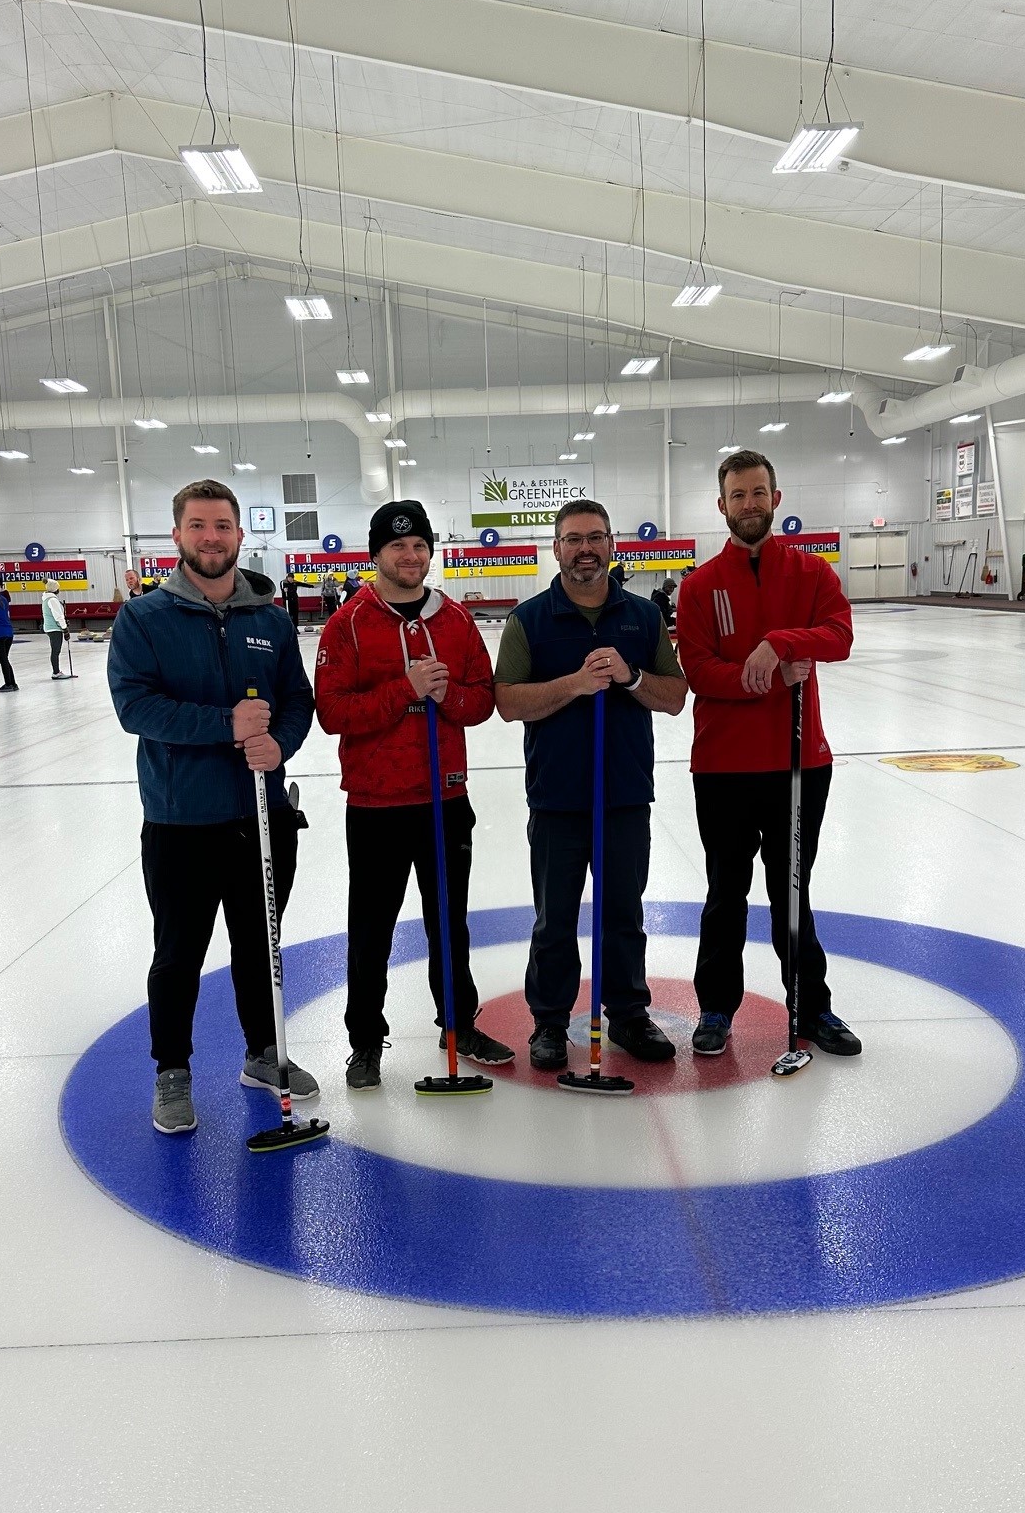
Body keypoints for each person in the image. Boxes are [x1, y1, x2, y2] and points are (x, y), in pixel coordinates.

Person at [108, 478, 318, 1140]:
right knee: (178, 955)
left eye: (222, 526)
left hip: (260, 815)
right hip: (181, 820)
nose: (211, 537)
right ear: (177, 536)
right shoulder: (144, 619)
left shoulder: (270, 618)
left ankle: (263, 1053)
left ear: (239, 534)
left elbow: (296, 701)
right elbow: (135, 707)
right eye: (198, 526)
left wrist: (277, 743)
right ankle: (172, 1071)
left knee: (260, 947)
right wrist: (226, 725)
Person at [315, 499, 512, 1091]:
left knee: (449, 923)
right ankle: (366, 1040)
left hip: (444, 801)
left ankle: (459, 1024)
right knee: (370, 928)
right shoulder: (348, 623)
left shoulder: (453, 620)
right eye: (398, 547)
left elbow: (482, 700)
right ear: (376, 555)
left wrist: (444, 696)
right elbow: (332, 713)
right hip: (376, 805)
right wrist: (405, 689)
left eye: (420, 546)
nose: (411, 556)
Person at [675, 450, 859, 1059]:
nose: (749, 504)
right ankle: (716, 1008)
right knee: (726, 892)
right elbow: (700, 671)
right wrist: (772, 678)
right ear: (721, 505)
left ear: (776, 499)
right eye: (738, 495)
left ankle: (813, 1006)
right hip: (724, 768)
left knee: (791, 891)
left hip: (800, 764)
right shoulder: (700, 586)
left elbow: (839, 636)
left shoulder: (811, 575)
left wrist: (777, 641)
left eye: (759, 493)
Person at [493, 500, 687, 1071]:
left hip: (624, 794)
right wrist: (577, 684)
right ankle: (550, 1022)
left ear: (611, 544)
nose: (585, 548)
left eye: (596, 537)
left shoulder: (645, 619)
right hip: (557, 796)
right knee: (554, 917)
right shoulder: (528, 620)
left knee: (624, 912)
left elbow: (675, 697)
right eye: (574, 538)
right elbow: (507, 702)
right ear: (556, 548)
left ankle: (627, 1013)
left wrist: (630, 678)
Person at [41, 578, 68, 676]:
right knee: (55, 650)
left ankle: (56, 671)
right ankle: (56, 672)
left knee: (55, 650)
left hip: (50, 627)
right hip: (54, 628)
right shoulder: (52, 600)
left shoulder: (47, 599)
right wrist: (65, 628)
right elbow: (58, 616)